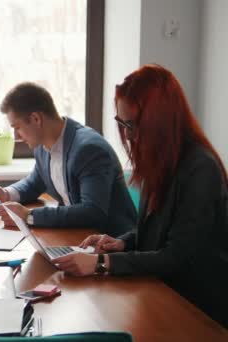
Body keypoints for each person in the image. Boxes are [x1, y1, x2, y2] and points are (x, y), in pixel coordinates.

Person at [52, 64, 228, 327]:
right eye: (121, 124)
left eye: (131, 125)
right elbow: (156, 227)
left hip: (198, 307)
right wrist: (121, 242)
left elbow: (176, 256)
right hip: (163, 290)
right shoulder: (160, 158)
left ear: (160, 122)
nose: (127, 136)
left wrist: (100, 263)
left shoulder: (200, 169)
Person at [0, 82, 136, 237]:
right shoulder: (42, 145)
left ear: (36, 119)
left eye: (17, 127)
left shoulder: (88, 150)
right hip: (77, 235)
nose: (16, 137)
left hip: (112, 245)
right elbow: (35, 182)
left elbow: (93, 211)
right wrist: (6, 194)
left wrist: (29, 215)